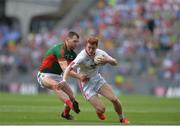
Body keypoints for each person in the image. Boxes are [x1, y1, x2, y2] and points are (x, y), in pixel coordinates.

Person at [62, 36, 130, 124]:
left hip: (97, 79)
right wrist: (64, 80)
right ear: (86, 46)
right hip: (86, 84)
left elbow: (115, 63)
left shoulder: (100, 53)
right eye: (89, 47)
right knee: (102, 109)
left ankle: (122, 119)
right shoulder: (81, 56)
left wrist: (108, 60)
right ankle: (99, 111)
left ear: (96, 47)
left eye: (93, 48)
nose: (90, 50)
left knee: (114, 99)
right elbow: (68, 68)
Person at [37, 31, 88, 120]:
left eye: (77, 42)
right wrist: (79, 76)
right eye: (74, 41)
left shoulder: (73, 54)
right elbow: (65, 69)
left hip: (58, 77)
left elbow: (70, 70)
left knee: (72, 97)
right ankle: (71, 105)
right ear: (67, 40)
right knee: (56, 86)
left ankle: (65, 114)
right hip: (45, 75)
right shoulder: (60, 50)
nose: (76, 44)